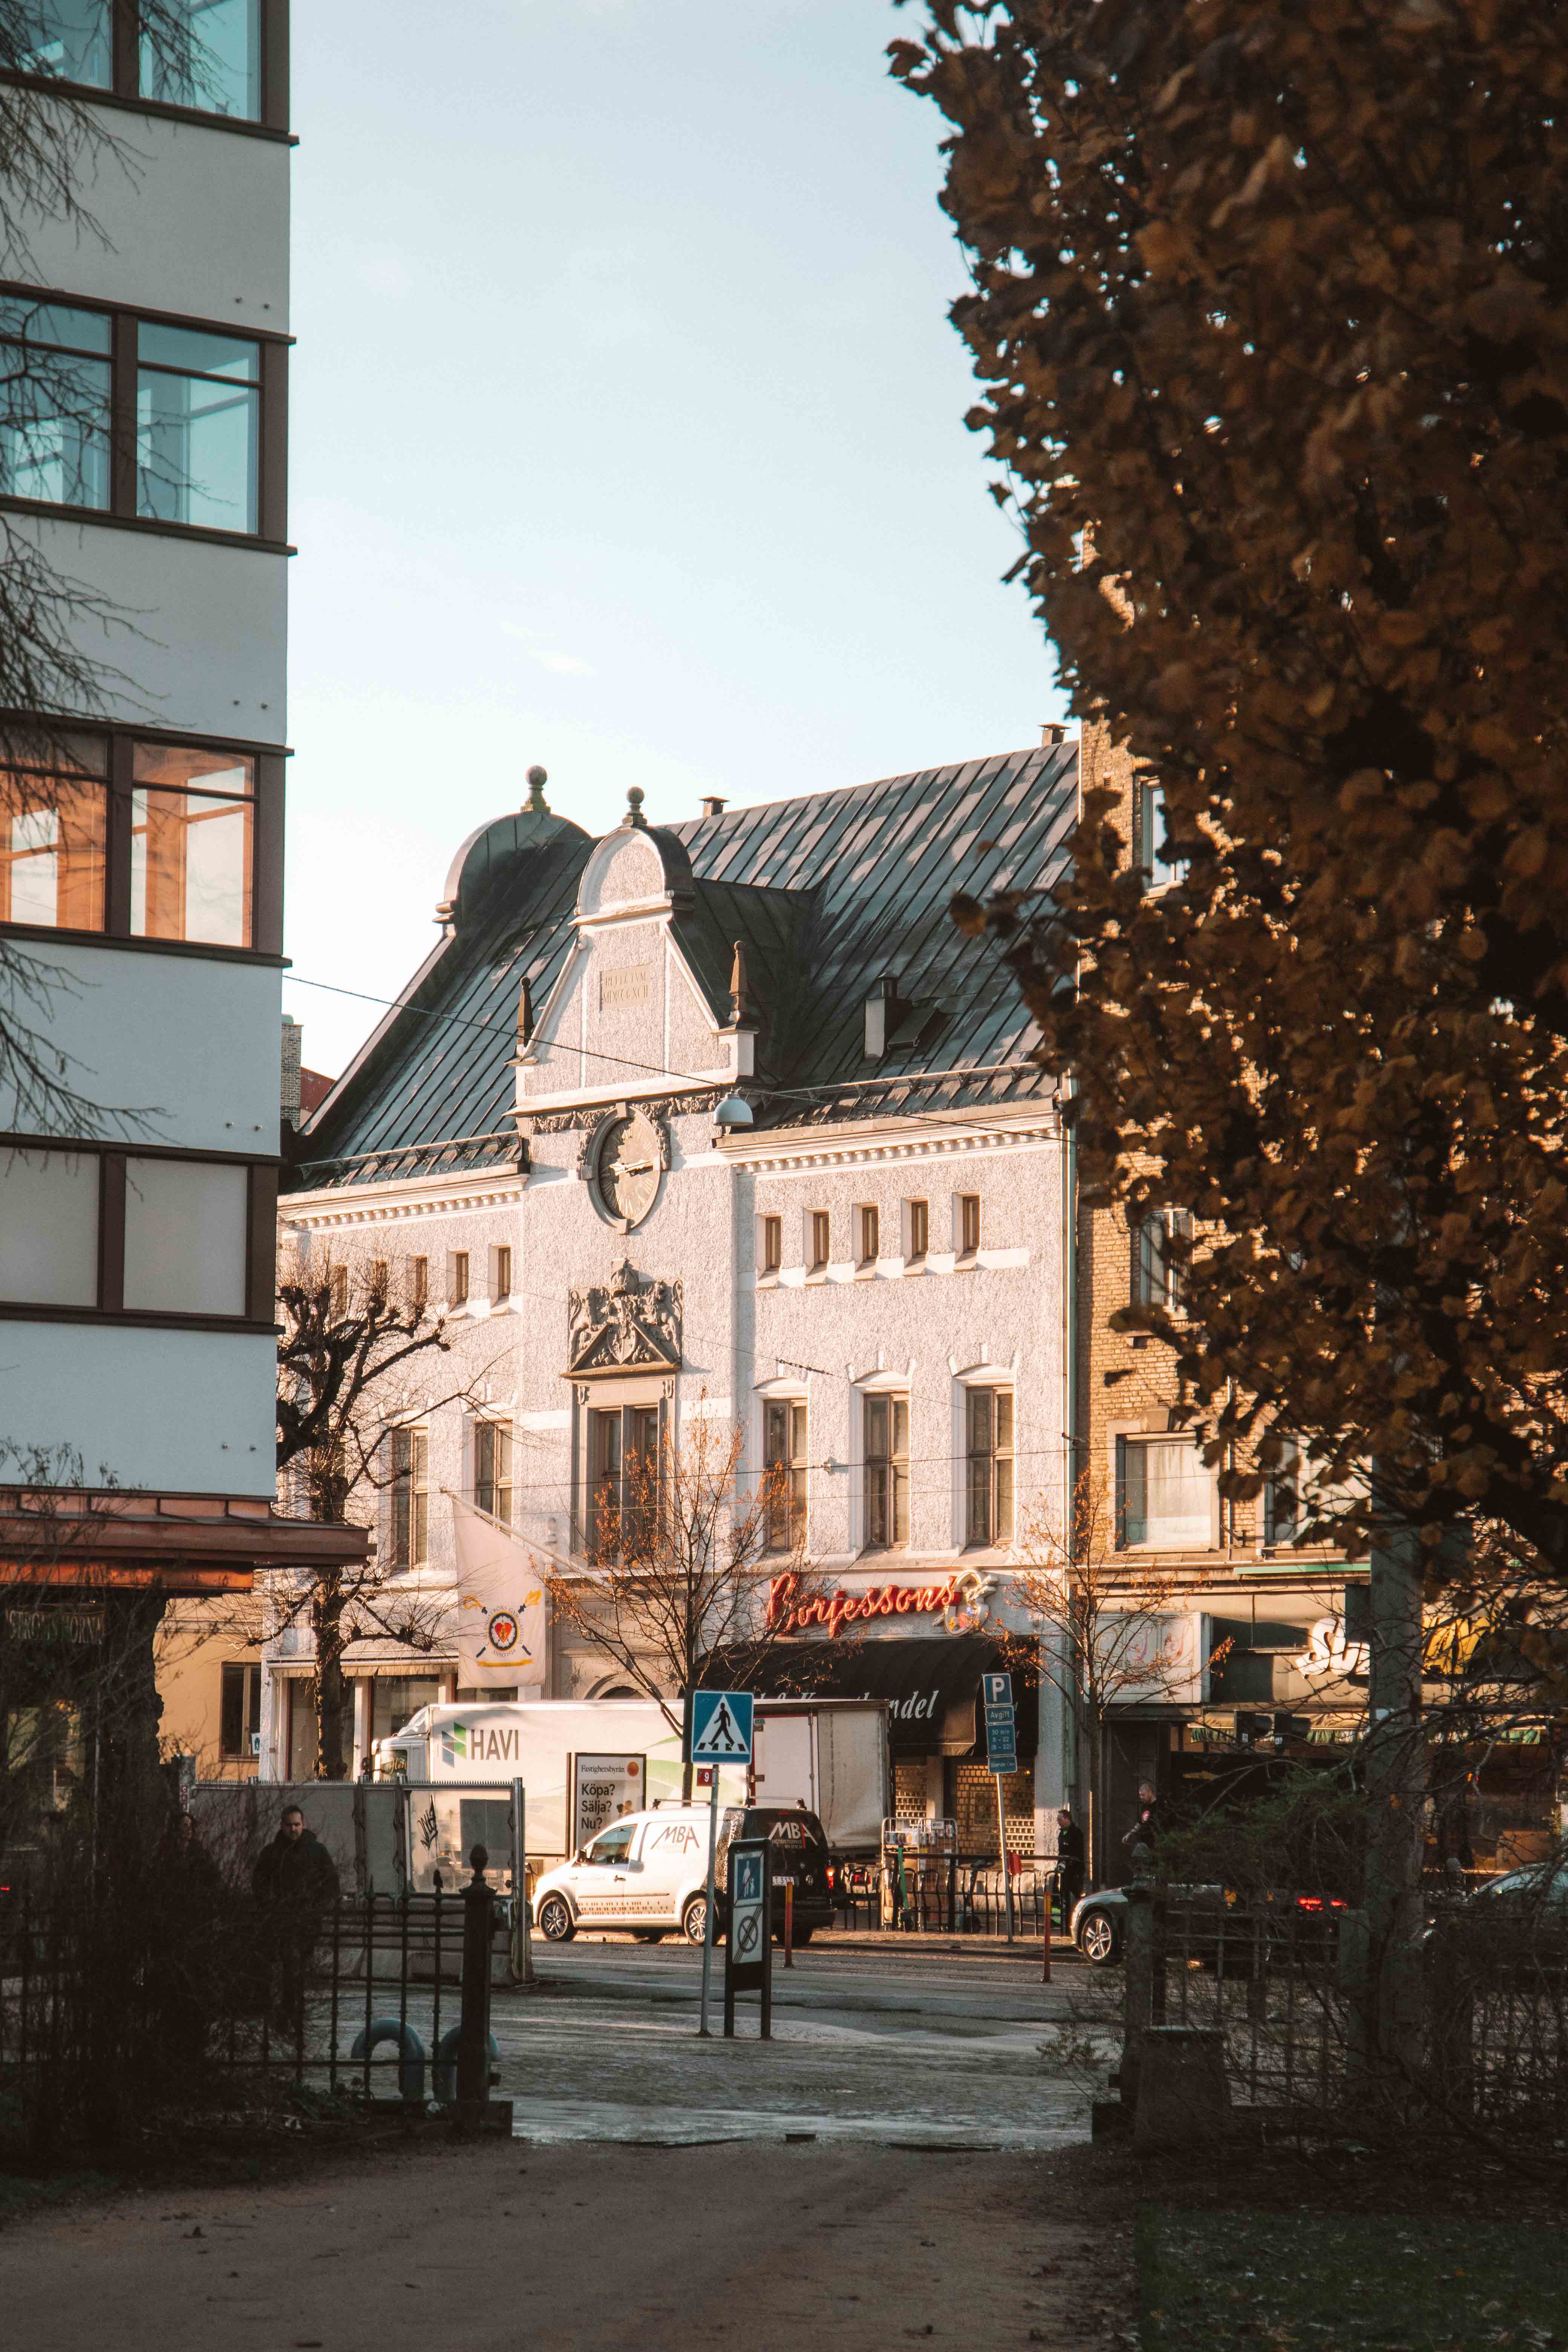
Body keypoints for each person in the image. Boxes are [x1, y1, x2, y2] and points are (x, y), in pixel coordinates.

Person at [252, 1803, 340, 2032]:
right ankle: (292, 2013)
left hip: (307, 1920)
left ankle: (289, 2012)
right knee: (292, 1967)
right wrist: (272, 1905)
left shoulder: (316, 1851)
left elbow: (331, 1884)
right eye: (290, 1825)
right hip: (282, 1920)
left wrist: (318, 1908)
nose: (293, 1830)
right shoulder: (273, 1853)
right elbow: (259, 1884)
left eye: (297, 1825)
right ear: (282, 1826)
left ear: (304, 1825)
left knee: (296, 1968)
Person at [1054, 1806, 1086, 1922]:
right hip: (1062, 1867)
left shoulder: (1076, 1833)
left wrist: (1073, 1866)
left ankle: (1077, 1919)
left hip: (1073, 1869)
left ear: (1067, 1819)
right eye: (1057, 1820)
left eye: (1060, 1820)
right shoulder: (1062, 1833)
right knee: (1057, 1894)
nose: (1058, 1822)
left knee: (1077, 1895)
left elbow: (1077, 1852)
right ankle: (1056, 1920)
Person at [1121, 1781, 1162, 1856]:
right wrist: (1130, 1834)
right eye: (1140, 1795)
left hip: (1154, 1844)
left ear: (1150, 1793)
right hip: (1143, 1842)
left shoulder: (1158, 1806)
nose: (1141, 1798)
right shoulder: (1145, 1806)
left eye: (1143, 1795)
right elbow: (1140, 1823)